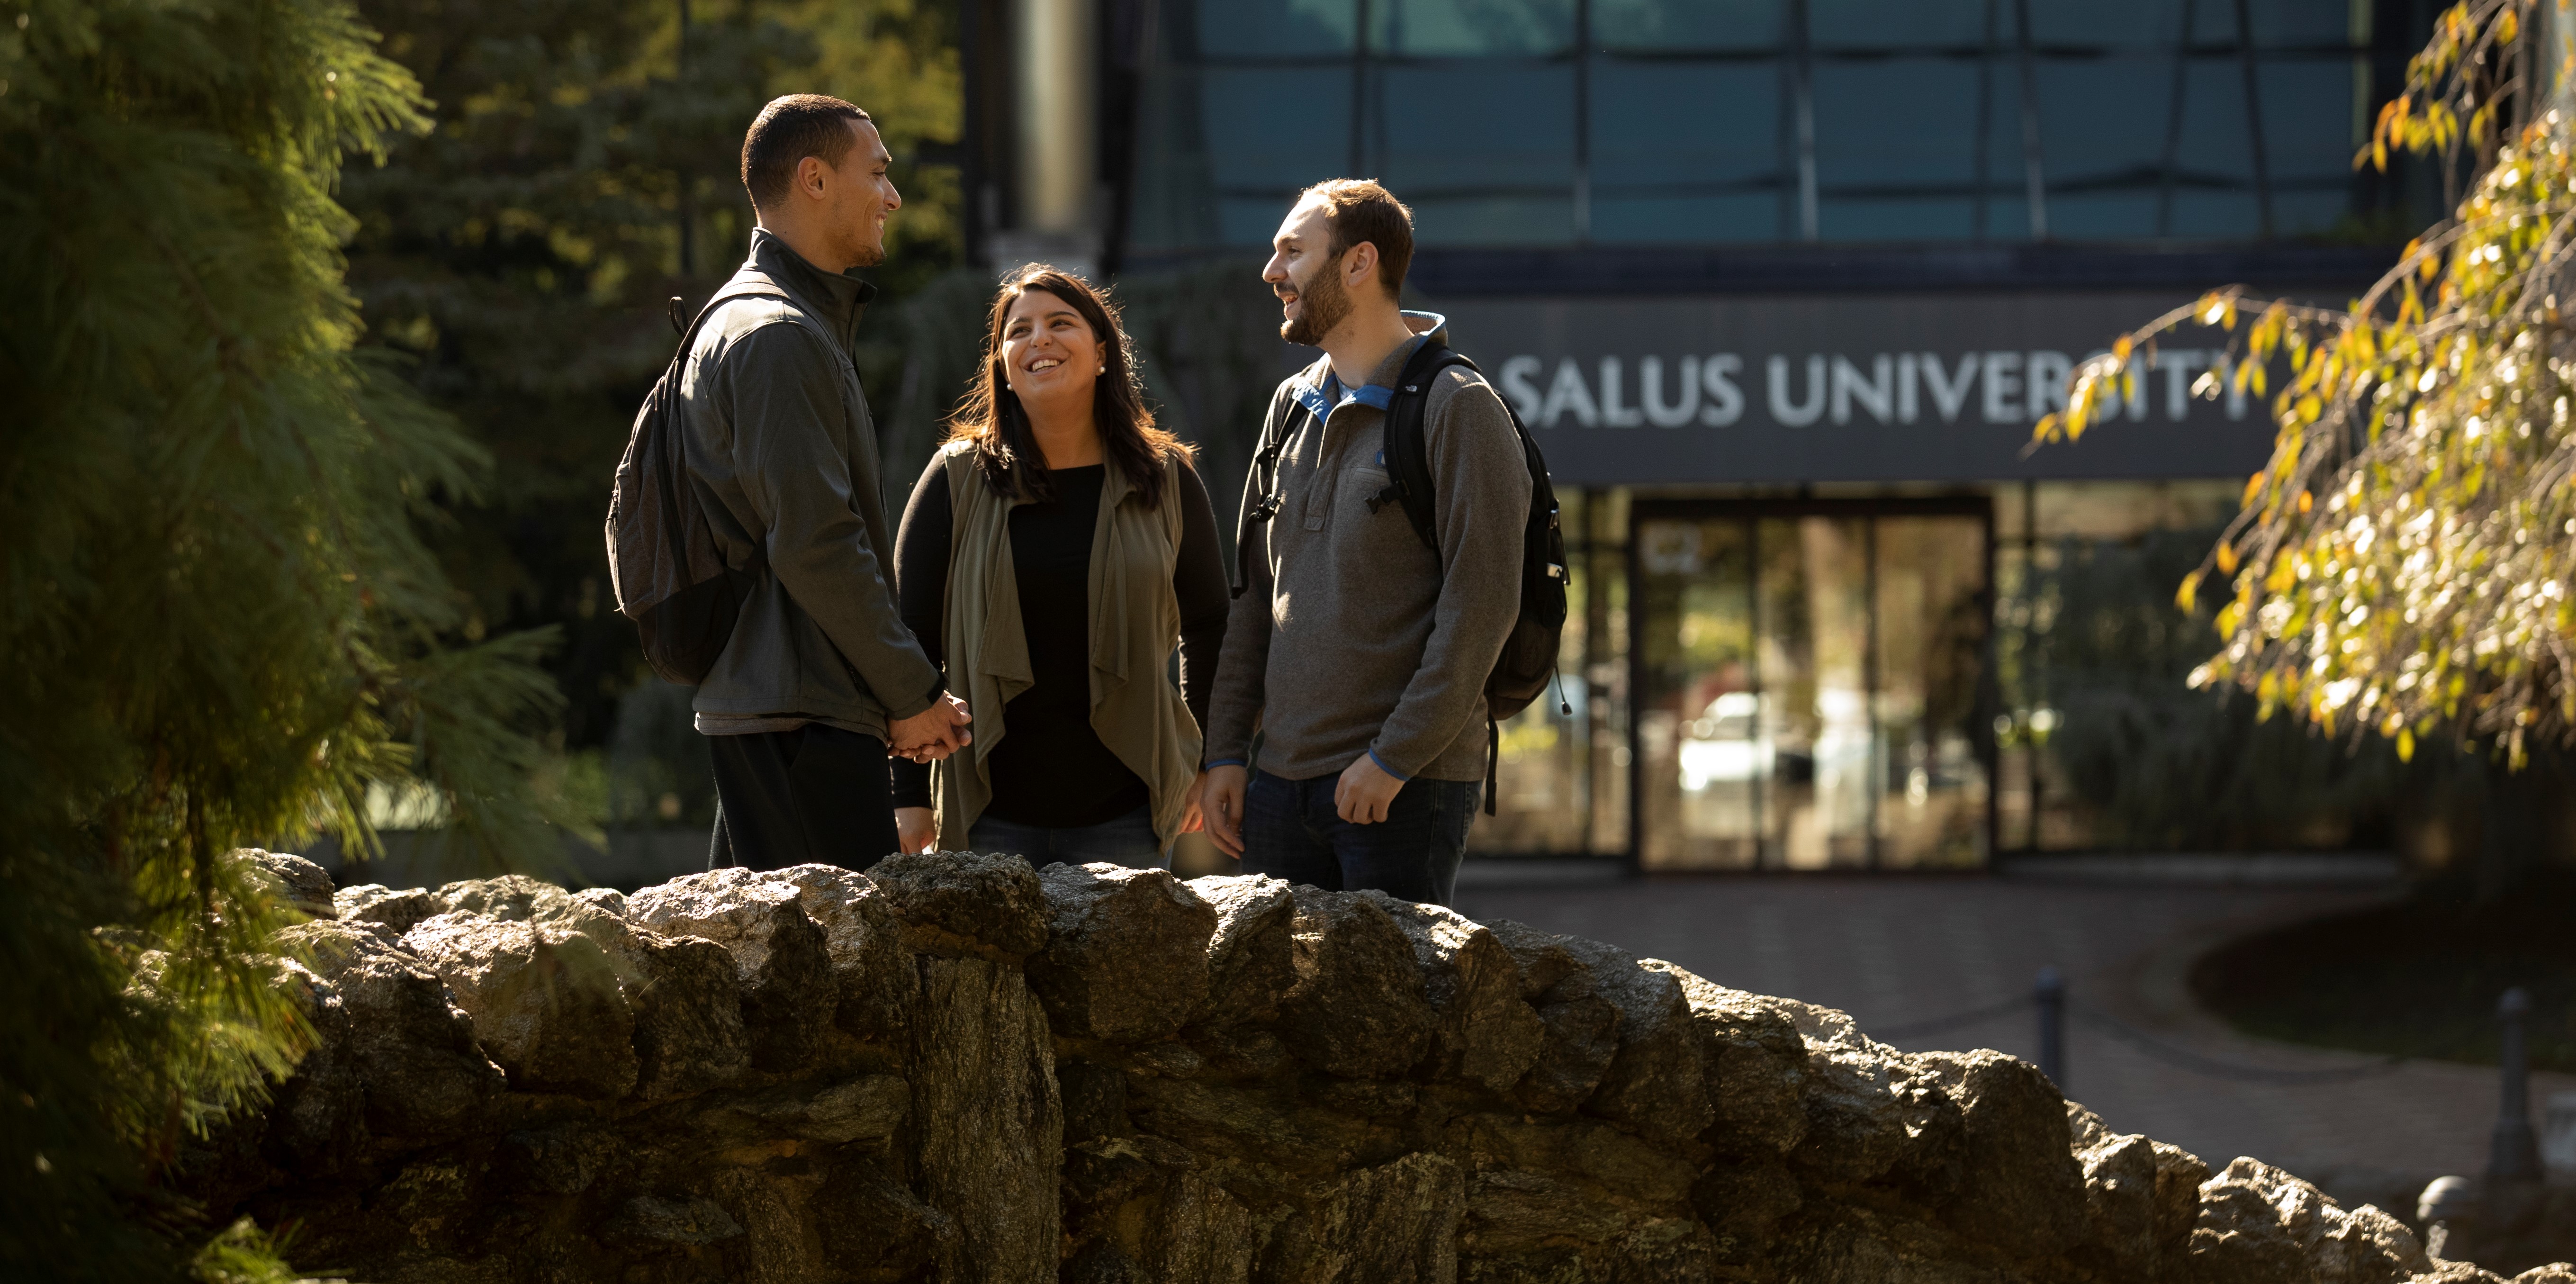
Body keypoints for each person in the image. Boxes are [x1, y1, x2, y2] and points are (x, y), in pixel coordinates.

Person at [1201, 180, 1530, 905]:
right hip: (1277, 788)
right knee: (1279, 1017)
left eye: (1292, 251)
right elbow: (1256, 596)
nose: (1271, 271)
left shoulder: (1459, 408)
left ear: (1357, 264)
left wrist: (1393, 758)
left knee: (1395, 1017)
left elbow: (1481, 607)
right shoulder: (1288, 405)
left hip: (1397, 791)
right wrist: (1225, 749)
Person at [679, 94, 971, 870]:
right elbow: (816, 543)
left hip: (773, 711)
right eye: (876, 173)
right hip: (800, 724)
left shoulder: (747, 319)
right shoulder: (777, 335)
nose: (892, 196)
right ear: (814, 179)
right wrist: (912, 693)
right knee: (832, 988)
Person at [888, 266, 1230, 867]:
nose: (1038, 339)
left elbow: (1208, 625)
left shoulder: (1166, 477)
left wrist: (1203, 761)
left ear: (1101, 354)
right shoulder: (954, 479)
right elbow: (908, 639)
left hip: (1128, 815)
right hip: (986, 814)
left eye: (1060, 323)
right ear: (1002, 365)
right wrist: (908, 794)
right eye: (1018, 331)